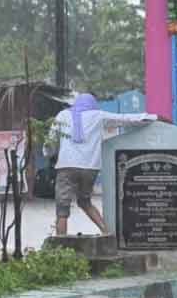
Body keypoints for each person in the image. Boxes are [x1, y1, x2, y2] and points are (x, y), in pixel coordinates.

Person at [45, 94, 156, 236]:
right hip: (90, 168)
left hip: (67, 166)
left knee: (62, 208)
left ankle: (61, 242)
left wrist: (48, 153)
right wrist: (153, 117)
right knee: (85, 202)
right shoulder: (98, 115)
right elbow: (124, 119)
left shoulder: (63, 115)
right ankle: (106, 232)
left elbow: (51, 140)